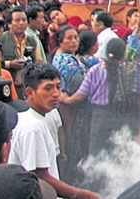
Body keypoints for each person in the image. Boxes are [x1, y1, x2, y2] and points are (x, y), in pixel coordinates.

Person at [8, 62, 100, 199]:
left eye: (58, 87)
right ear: (30, 92)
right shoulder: (34, 127)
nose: (56, 94)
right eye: (48, 88)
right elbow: (40, 177)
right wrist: (82, 194)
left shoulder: (31, 119)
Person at [60, 38, 140, 155]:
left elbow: (79, 96)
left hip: (100, 118)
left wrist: (64, 98)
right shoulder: (133, 70)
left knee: (97, 154)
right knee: (124, 154)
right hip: (126, 116)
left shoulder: (95, 70)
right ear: (124, 53)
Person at [51, 25, 94, 186]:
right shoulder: (63, 59)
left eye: (76, 37)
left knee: (81, 146)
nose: (74, 41)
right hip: (72, 110)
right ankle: (72, 184)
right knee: (72, 147)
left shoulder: (76, 58)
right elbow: (79, 84)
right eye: (69, 38)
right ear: (60, 41)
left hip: (79, 108)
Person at [2, 6, 44, 98]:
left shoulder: (32, 40)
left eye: (24, 20)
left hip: (27, 86)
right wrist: (10, 64)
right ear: (9, 24)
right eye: (17, 20)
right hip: (8, 86)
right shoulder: (2, 39)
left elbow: (39, 62)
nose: (21, 23)